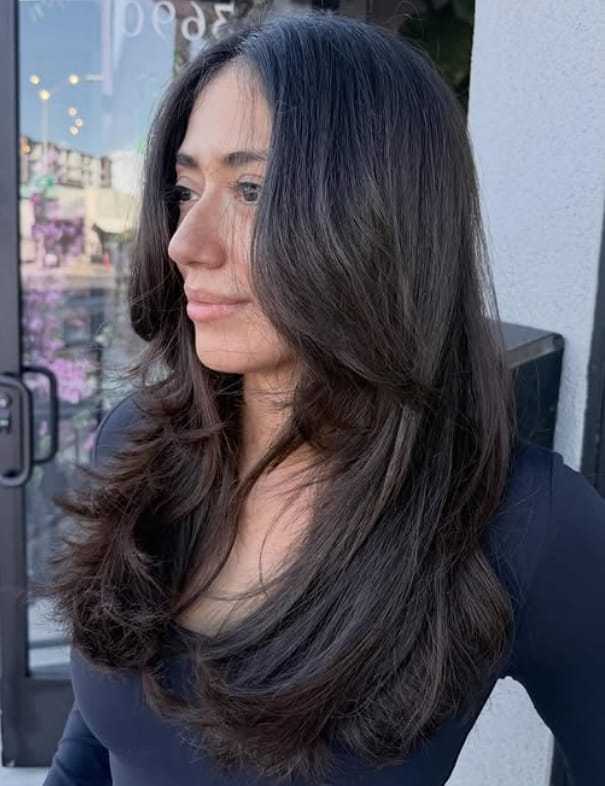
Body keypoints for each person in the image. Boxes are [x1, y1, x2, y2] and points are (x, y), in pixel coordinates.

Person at [38, 8, 605, 786]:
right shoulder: (136, 443)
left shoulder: (523, 522)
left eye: (249, 188)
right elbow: (102, 737)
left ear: (383, 217)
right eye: (183, 188)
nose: (183, 244)